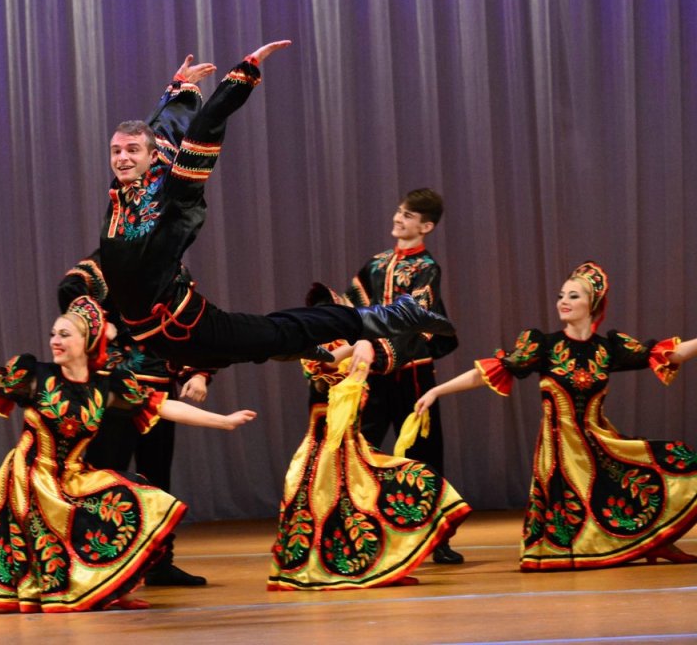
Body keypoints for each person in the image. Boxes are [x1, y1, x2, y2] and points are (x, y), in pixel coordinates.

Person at [98, 41, 455, 373]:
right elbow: (159, 131)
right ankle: (292, 344)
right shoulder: (122, 192)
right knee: (247, 348)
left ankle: (393, 316)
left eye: (132, 151)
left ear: (151, 157)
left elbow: (203, 130)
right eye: (116, 151)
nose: (122, 157)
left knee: (273, 332)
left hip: (185, 325)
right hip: (160, 340)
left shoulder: (173, 193)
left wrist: (242, 76)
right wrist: (180, 91)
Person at [0, 296, 256, 612]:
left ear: (88, 340)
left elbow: (162, 405)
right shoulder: (35, 375)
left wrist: (222, 421)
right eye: (53, 334)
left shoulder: (107, 385)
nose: (55, 341)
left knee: (134, 498)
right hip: (30, 477)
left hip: (73, 473)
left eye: (65, 334)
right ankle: (64, 588)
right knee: (52, 539)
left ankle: (112, 585)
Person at [415, 261, 697, 570]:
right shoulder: (544, 345)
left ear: (592, 304)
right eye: (561, 295)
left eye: (574, 296)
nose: (563, 301)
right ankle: (637, 544)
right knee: (577, 511)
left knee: (671, 463)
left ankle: (659, 542)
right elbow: (490, 371)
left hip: (597, 439)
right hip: (560, 449)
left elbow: (672, 354)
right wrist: (437, 391)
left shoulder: (608, 348)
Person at [59, 250, 213, 587]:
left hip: (158, 389)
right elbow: (71, 289)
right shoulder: (111, 260)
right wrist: (100, 326)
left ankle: (158, 562)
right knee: (105, 477)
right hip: (114, 388)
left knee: (156, 479)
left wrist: (198, 373)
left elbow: (188, 325)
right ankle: (95, 561)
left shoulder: (173, 270)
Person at [268, 340, 470, 590]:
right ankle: (332, 566)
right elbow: (321, 368)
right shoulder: (325, 353)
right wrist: (359, 345)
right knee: (331, 508)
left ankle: (380, 562)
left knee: (411, 479)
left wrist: (365, 346)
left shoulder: (358, 355)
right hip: (327, 455)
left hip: (352, 448)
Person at [340, 188, 464, 564]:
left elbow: (416, 316)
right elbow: (352, 306)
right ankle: (356, 533)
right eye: (399, 211)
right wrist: (350, 342)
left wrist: (377, 348)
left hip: (412, 373)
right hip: (375, 374)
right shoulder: (376, 264)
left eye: (408, 215)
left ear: (426, 226)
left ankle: (434, 537)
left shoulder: (426, 268)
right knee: (359, 448)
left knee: (424, 455)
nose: (398, 218)